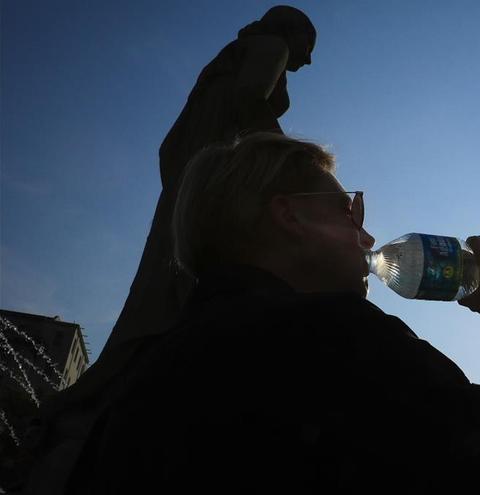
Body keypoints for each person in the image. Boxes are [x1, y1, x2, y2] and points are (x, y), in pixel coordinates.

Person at [64, 132, 480, 494]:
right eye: (349, 210)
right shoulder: (327, 338)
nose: (368, 234)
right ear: (290, 216)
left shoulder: (146, 370)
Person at [24, 8, 315, 493]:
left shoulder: (223, 64)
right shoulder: (271, 47)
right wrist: (293, 167)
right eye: (309, 49)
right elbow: (249, 99)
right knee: (185, 297)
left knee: (159, 298)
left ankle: (81, 401)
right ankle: (93, 402)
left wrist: (186, 189)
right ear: (296, 33)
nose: (306, 63)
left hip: (188, 186)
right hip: (211, 189)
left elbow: (168, 146)